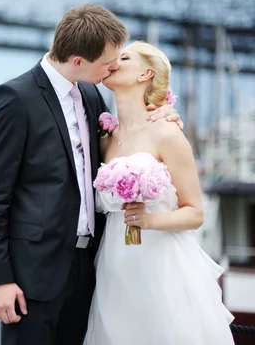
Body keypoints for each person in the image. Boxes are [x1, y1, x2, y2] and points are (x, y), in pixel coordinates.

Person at [0, 4, 181, 345]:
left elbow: (116, 147)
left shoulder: (89, 93)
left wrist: (159, 116)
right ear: (79, 61)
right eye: (108, 62)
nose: (114, 67)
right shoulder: (15, 98)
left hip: (86, 267)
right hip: (30, 276)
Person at [84, 41, 234, 344]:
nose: (114, 61)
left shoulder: (167, 132)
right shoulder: (105, 137)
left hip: (160, 263)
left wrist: (148, 220)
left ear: (145, 74)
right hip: (114, 263)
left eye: (124, 57)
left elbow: (195, 213)